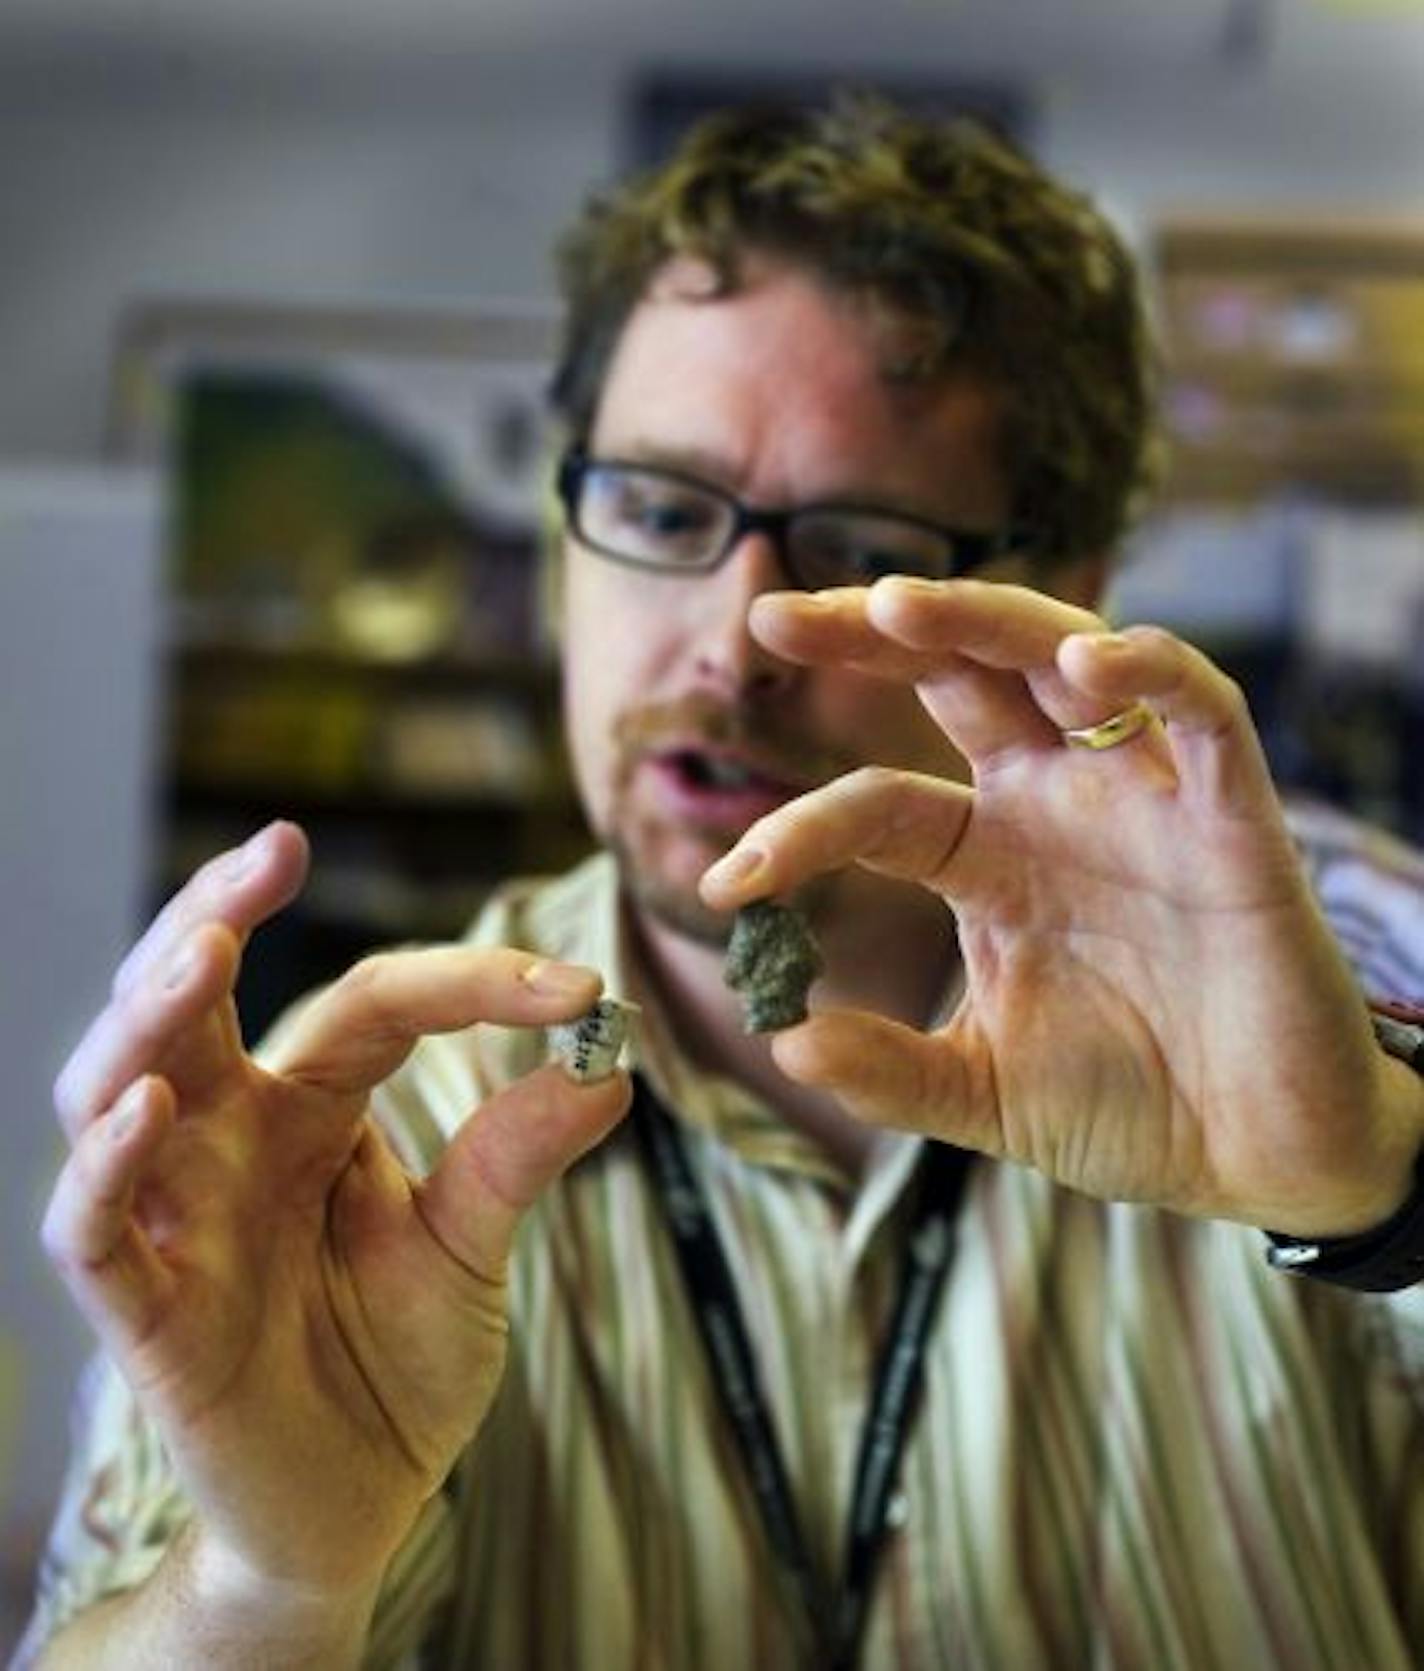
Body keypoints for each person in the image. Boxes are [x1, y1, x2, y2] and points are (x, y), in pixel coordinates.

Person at [17, 96, 1424, 1670]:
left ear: (1063, 596)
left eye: (853, 544)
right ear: (563, 529)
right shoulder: (360, 1136)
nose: (730, 638)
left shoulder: (1353, 999)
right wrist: (263, 1586)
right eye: (664, 512)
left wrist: (1383, 1193)